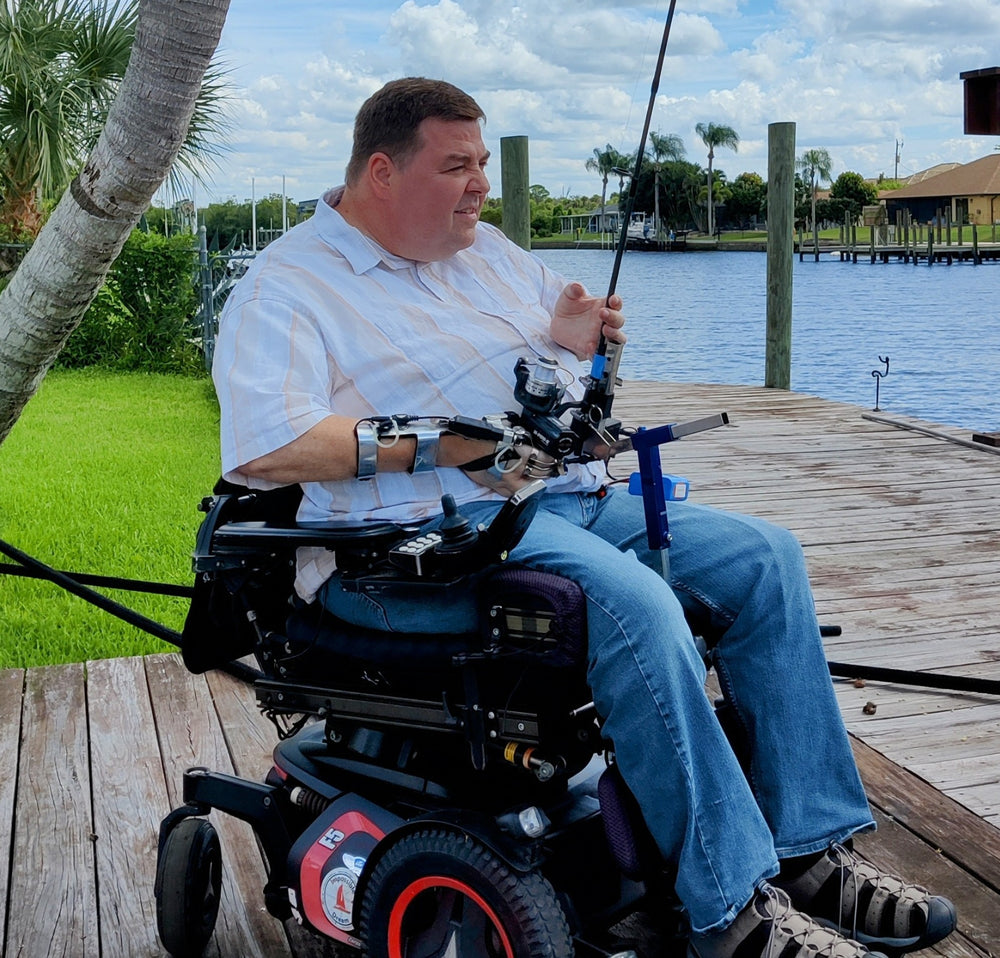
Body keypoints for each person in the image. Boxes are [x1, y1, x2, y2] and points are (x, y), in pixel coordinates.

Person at [213, 77, 956, 958]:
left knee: (764, 557)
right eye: (457, 166)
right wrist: (442, 444)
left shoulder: (485, 253)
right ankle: (733, 916)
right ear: (383, 171)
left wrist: (573, 344)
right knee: (632, 607)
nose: (480, 184)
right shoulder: (290, 284)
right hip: (406, 556)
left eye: (482, 162)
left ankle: (805, 848)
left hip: (555, 503)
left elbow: (566, 398)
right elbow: (269, 447)